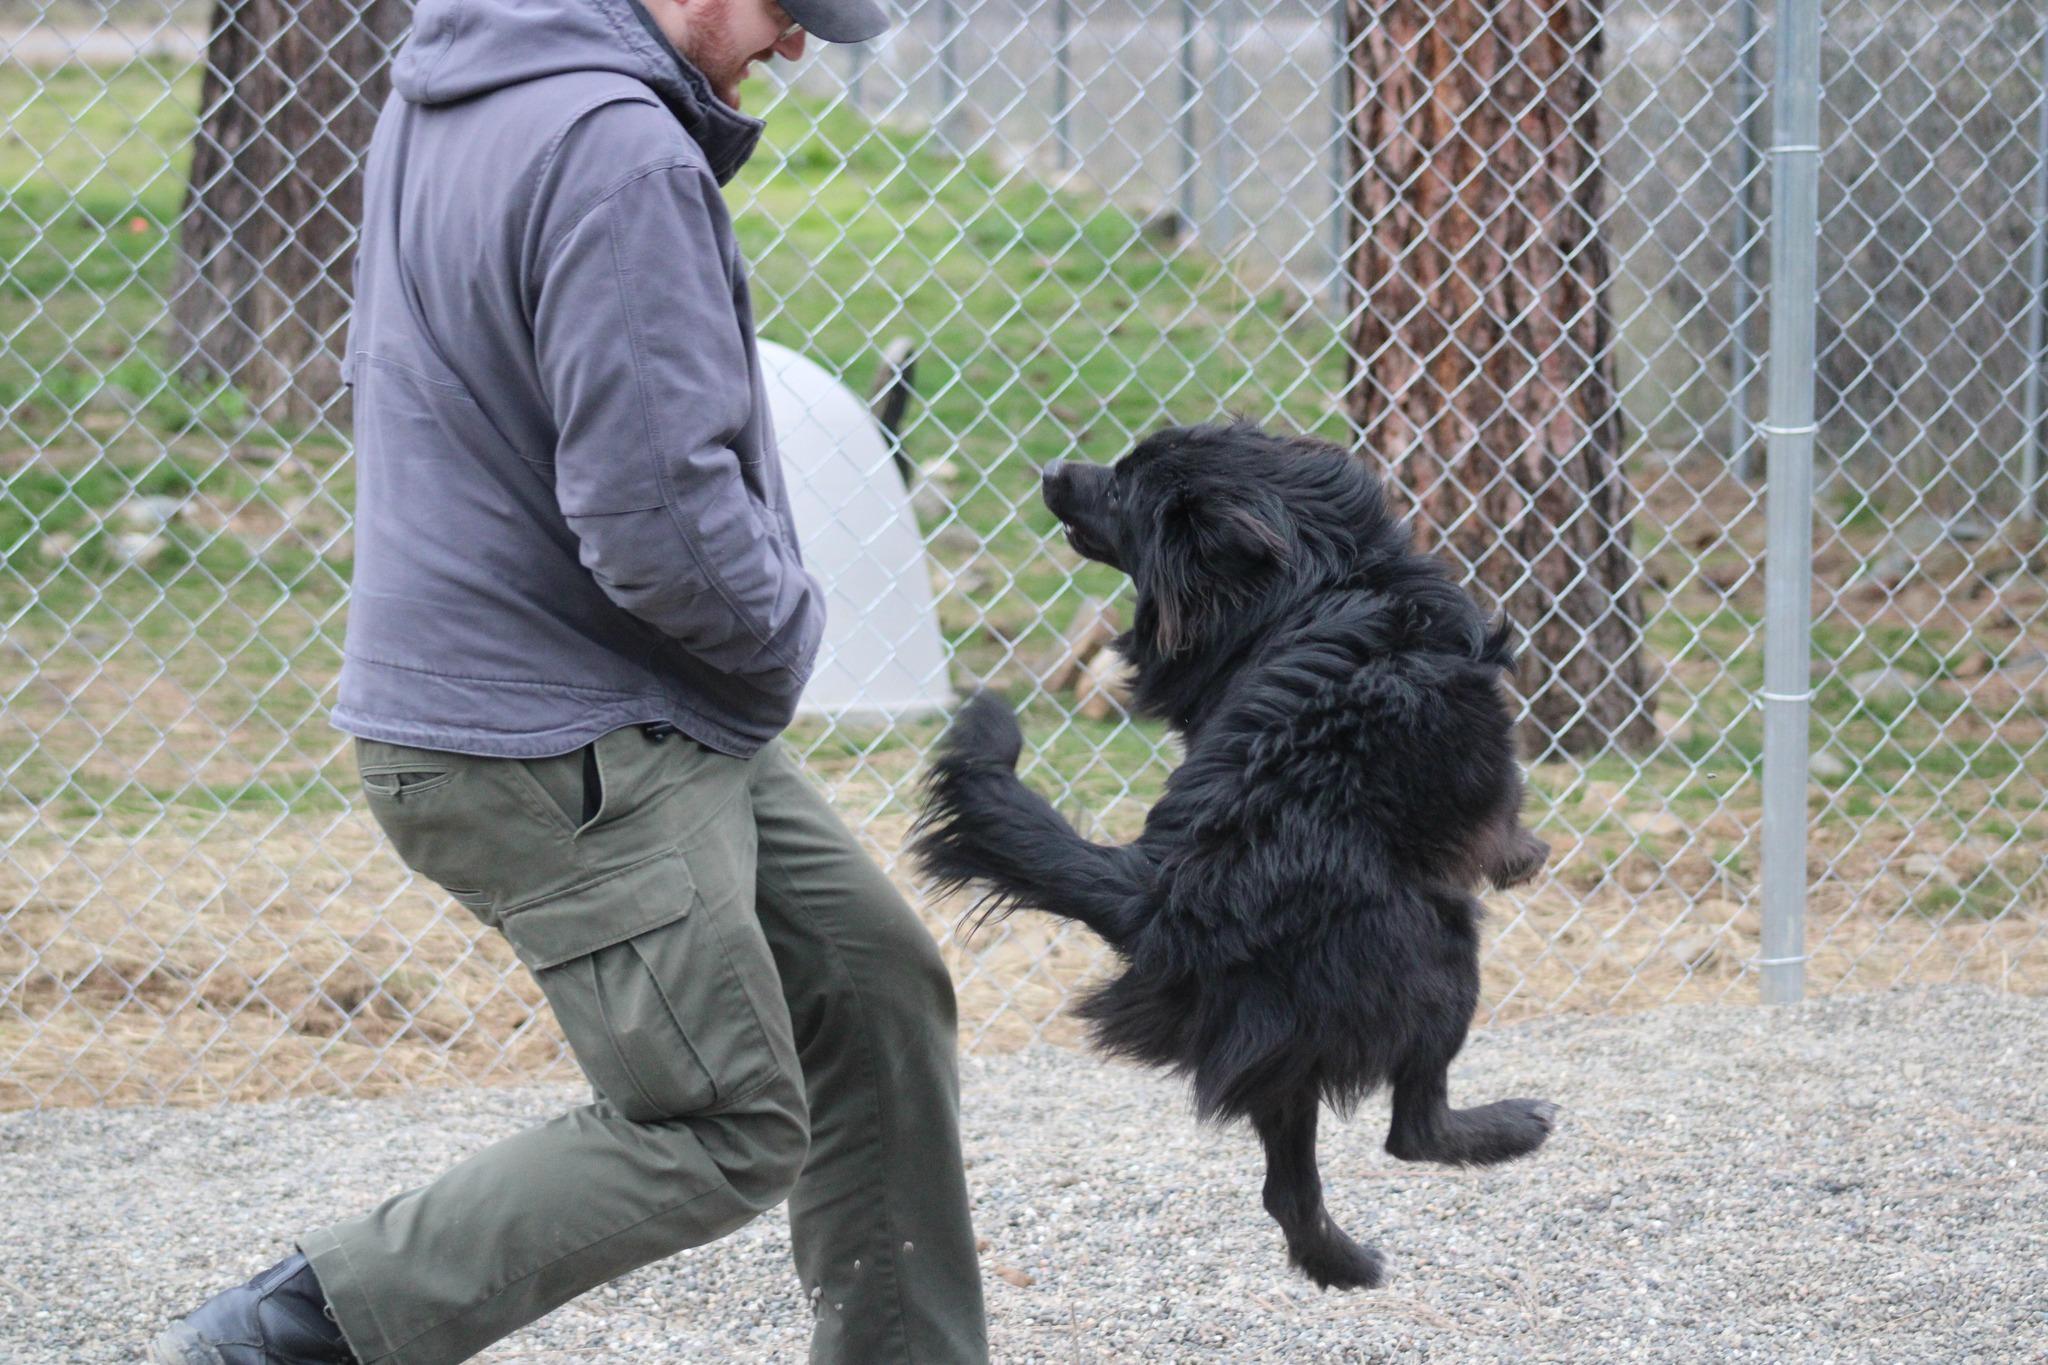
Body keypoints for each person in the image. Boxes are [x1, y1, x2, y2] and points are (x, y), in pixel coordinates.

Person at [149, 0, 988, 1360]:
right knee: (721, 1118)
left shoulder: (467, 72)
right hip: (555, 737)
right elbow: (659, 522)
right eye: (787, 14)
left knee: (873, 976)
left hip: (596, 691)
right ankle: (298, 1333)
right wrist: (787, 637)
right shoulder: (616, 152)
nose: (791, 51)